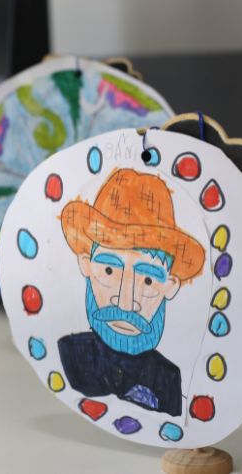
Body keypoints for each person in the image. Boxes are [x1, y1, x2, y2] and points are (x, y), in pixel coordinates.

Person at [58, 168, 205, 416]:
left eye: (147, 280)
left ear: (171, 286)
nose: (126, 304)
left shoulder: (168, 379)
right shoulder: (66, 356)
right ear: (86, 266)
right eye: (108, 270)